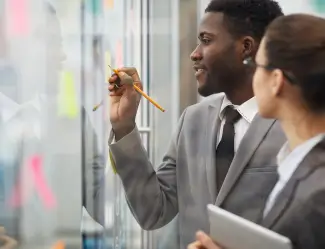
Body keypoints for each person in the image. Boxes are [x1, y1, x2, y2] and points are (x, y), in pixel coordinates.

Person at [108, 0, 285, 247]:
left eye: (206, 40)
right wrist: (124, 125)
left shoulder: (291, 124)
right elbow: (152, 211)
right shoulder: (192, 121)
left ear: (245, 47)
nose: (195, 53)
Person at [188, 13, 325, 249]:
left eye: (256, 65)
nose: (252, 75)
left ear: (276, 80)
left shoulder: (313, 196)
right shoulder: (300, 169)